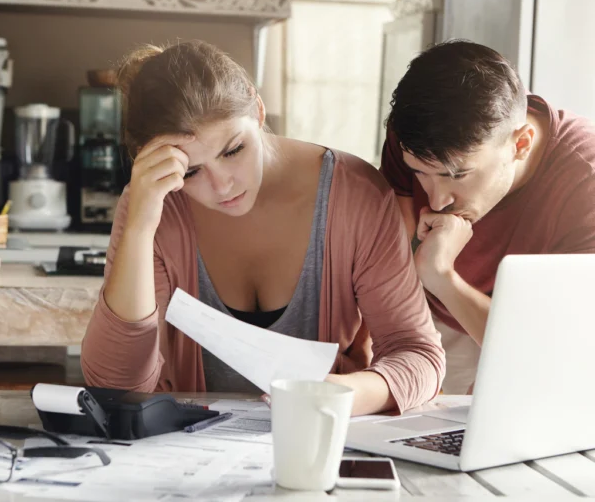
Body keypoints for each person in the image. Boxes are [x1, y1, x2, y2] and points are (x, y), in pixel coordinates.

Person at [81, 41, 444, 415]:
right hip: (189, 456)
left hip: (320, 445)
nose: (223, 185)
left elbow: (419, 355)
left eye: (233, 150)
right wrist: (140, 226)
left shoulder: (356, 195)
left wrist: (340, 395)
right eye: (190, 171)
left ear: (257, 110)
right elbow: (114, 387)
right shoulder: (154, 204)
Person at [381, 40, 595, 392]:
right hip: (427, 309)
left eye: (457, 175)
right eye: (420, 172)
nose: (437, 200)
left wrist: (441, 275)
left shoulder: (583, 183)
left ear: (521, 143)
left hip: (535, 334)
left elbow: (548, 350)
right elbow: (390, 245)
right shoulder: (417, 135)